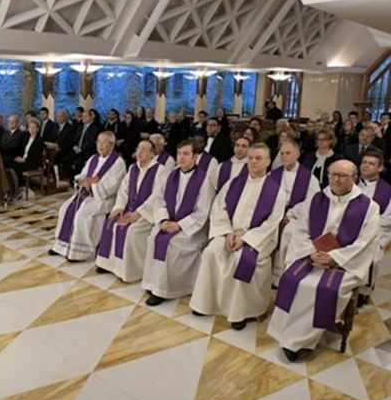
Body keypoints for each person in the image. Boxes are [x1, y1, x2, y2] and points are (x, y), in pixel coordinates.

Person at [268, 160, 379, 361]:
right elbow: (301, 230)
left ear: (354, 178)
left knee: (322, 289)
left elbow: (366, 243)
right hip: (312, 257)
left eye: (343, 175)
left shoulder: (369, 207)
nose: (336, 179)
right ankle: (286, 332)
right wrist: (311, 252)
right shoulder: (316, 200)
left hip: (345, 264)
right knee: (291, 279)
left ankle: (302, 341)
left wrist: (334, 257)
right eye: (333, 174)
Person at [190, 143, 286, 330]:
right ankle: (206, 303)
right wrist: (227, 232)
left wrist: (245, 239)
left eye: (258, 158)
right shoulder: (233, 183)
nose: (253, 162)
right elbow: (219, 209)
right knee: (211, 252)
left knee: (240, 260)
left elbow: (271, 224)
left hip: (255, 239)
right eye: (250, 158)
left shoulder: (276, 192)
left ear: (268, 161)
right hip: (228, 232)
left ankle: (240, 312)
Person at [142, 139, 216, 305]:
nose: (181, 157)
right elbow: (159, 200)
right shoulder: (170, 175)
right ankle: (154, 282)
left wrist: (179, 225)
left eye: (186, 154)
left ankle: (166, 289)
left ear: (195, 157)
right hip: (168, 222)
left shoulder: (204, 180)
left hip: (191, 229)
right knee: (154, 237)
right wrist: (163, 219)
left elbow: (202, 212)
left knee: (172, 244)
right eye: (179, 153)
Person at [49, 131, 126, 261]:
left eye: (104, 142)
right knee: (65, 208)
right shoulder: (94, 158)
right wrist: (81, 180)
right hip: (86, 194)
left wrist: (92, 185)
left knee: (82, 215)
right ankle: (61, 246)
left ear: (112, 145)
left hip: (103, 199)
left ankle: (80, 252)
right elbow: (84, 174)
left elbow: (112, 186)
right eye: (98, 142)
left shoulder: (118, 163)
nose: (100, 145)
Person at [95, 140, 165, 282]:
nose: (140, 152)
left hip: (146, 214)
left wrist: (139, 212)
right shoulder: (133, 168)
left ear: (152, 154)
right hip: (128, 209)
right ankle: (108, 264)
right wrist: (119, 207)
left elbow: (157, 195)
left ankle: (129, 270)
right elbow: (124, 190)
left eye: (145, 149)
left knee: (131, 232)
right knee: (110, 223)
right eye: (139, 148)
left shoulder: (160, 170)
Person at [270, 139, 321, 282]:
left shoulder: (309, 178)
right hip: (274, 214)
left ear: (297, 154)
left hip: (296, 217)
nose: (284, 156)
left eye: (288, 153)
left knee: (290, 232)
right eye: (282, 153)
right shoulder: (273, 175)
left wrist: (290, 213)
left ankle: (283, 275)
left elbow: (312, 202)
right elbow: (266, 196)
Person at [357, 149, 391, 304]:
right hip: (345, 229)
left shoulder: (387, 191)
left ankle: (363, 291)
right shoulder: (349, 182)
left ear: (380, 168)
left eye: (371, 163)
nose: (365, 166)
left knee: (373, 257)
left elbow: (387, 219)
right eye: (364, 162)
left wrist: (365, 228)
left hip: (375, 232)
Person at [10, 118, 45, 200]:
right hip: (24, 159)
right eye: (30, 127)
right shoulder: (26, 138)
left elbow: (37, 157)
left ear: (38, 129)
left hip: (32, 162)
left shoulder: (40, 140)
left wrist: (24, 160)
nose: (32, 129)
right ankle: (13, 189)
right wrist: (18, 157)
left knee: (16, 167)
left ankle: (21, 188)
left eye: (34, 127)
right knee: (10, 164)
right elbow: (21, 150)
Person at [61, 110, 99, 180]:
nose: (83, 118)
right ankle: (71, 178)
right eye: (82, 116)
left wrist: (81, 149)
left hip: (87, 152)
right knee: (65, 160)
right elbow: (75, 139)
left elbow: (91, 142)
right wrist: (75, 146)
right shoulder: (80, 127)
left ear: (91, 117)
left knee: (78, 164)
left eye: (86, 116)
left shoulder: (95, 129)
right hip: (77, 150)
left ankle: (78, 179)